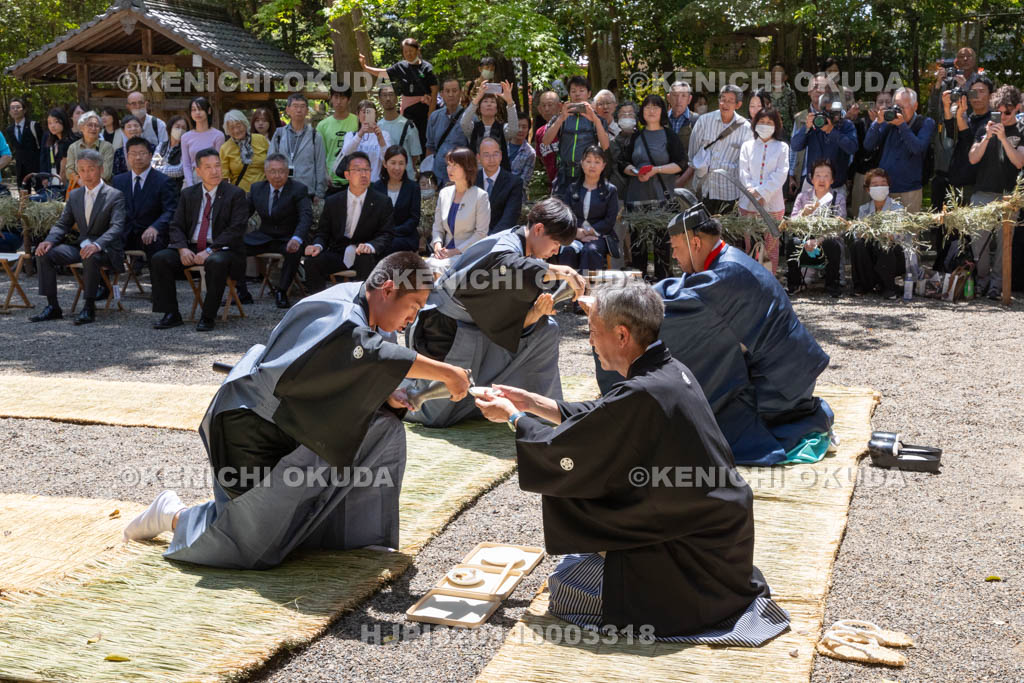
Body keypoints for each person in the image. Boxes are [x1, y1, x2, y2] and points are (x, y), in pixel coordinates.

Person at [475, 282, 789, 643]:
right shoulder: (669, 371)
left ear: (622, 335)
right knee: (581, 560)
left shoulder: (646, 389)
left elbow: (580, 441)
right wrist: (532, 402)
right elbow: (603, 417)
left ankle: (679, 608)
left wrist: (514, 417)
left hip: (690, 561)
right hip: (714, 537)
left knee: (565, 587)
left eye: (593, 333)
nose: (590, 343)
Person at [124, 253, 473, 568]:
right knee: (252, 551)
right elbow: (367, 353)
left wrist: (387, 394)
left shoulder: (366, 310)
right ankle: (173, 515)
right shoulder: (342, 314)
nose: (413, 319)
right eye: (413, 305)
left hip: (296, 424)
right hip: (251, 427)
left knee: (382, 427)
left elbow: (347, 372)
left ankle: (352, 537)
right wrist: (448, 373)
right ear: (387, 289)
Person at [627, 200, 834, 466]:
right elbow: (681, 286)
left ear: (696, 244)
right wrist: (637, 294)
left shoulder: (728, 272)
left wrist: (625, 306)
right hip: (790, 371)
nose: (675, 256)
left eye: (677, 249)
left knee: (700, 431)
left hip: (781, 384)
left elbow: (676, 305)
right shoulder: (726, 259)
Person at [405, 197, 583, 427]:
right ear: (539, 229)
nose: (555, 251)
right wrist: (563, 271)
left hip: (484, 332)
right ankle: (397, 393)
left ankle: (540, 408)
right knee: (436, 415)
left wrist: (537, 314)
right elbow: (507, 267)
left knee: (545, 330)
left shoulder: (527, 255)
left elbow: (514, 317)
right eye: (556, 244)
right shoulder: (505, 245)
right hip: (447, 329)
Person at [150, 148, 248, 332]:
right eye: (208, 167)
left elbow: (236, 229)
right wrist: (182, 249)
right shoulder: (189, 194)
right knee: (160, 258)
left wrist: (211, 250)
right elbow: (176, 225)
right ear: (198, 170)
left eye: (217, 166)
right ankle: (171, 313)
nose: (214, 171)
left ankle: (208, 316)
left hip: (223, 250)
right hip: (192, 247)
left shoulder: (235, 194)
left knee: (215, 262)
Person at [30, 149, 126, 326]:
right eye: (82, 170)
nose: (86, 174)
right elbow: (62, 224)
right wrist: (49, 241)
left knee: (90, 254)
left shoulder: (114, 195)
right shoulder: (75, 195)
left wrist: (97, 245)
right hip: (81, 245)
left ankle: (89, 306)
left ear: (101, 169)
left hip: (107, 249)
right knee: (44, 253)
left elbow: (117, 227)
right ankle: (53, 307)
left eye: (91, 169)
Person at [967, 84, 1024, 300]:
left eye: (1007, 112)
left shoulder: (1021, 130)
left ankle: (997, 284)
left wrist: (1002, 139)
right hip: (982, 193)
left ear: (1017, 108)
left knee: (1004, 245)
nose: (1002, 116)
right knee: (978, 241)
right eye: (998, 112)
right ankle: (982, 280)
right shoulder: (984, 129)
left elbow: (1019, 162)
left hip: (1008, 196)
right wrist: (988, 137)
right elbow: (973, 158)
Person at [622, 93, 688, 278]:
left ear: (662, 111)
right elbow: (623, 163)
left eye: (656, 107)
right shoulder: (636, 136)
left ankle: (663, 291)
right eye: (647, 107)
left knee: (662, 251)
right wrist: (636, 172)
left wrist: (657, 170)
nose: (651, 111)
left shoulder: (669, 135)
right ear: (642, 112)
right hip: (637, 201)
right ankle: (639, 296)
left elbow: (681, 164)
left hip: (662, 202)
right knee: (639, 251)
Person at [305, 151, 394, 287]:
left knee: (365, 258)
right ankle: (319, 302)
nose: (363, 174)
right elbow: (323, 232)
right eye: (358, 170)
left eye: (366, 170)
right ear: (347, 175)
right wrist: (317, 245)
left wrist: (371, 246)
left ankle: (362, 303)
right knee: (313, 259)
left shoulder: (382, 201)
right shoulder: (333, 201)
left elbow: (386, 234)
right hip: (338, 252)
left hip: (364, 254)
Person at [241, 153, 312, 309]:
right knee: (236, 246)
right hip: (264, 236)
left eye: (281, 171)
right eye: (273, 171)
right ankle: (242, 292)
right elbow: (243, 214)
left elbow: (306, 216)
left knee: (295, 250)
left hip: (288, 236)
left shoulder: (299, 189)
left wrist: (297, 238)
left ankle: (282, 291)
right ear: (266, 173)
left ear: (288, 173)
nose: (277, 175)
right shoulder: (257, 188)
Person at [862, 87, 936, 212]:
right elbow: (868, 145)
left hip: (909, 191)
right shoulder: (889, 122)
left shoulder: (926, 123)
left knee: (908, 230)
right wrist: (877, 123)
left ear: (915, 106)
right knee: (885, 230)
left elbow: (917, 148)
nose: (898, 110)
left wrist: (901, 125)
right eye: (896, 106)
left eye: (903, 106)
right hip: (885, 190)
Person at [359, 38, 438, 148]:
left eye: (411, 50)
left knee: (425, 138)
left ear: (418, 50)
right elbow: (384, 73)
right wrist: (365, 68)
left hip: (425, 109)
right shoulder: (400, 66)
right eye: (405, 51)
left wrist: (431, 112)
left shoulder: (427, 68)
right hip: (409, 111)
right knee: (409, 137)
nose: (408, 54)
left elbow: (434, 90)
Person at [111, 136, 178, 267]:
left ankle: (157, 286)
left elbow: (170, 210)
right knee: (103, 242)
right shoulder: (118, 181)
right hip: (125, 233)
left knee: (155, 244)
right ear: (127, 156)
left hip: (150, 232)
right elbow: (113, 209)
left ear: (150, 155)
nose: (138, 158)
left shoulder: (164, 181)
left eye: (142, 153)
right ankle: (105, 285)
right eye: (133, 154)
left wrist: (155, 227)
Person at [789, 84, 857, 209]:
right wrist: (807, 127)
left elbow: (852, 148)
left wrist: (832, 131)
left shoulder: (846, 125)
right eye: (828, 112)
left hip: (836, 186)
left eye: (835, 113)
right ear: (820, 110)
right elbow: (795, 146)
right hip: (811, 186)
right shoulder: (816, 123)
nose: (832, 117)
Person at [738, 109, 788, 273]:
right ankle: (752, 284)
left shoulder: (782, 147)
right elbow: (743, 172)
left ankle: (769, 284)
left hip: (773, 205)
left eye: (769, 123)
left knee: (770, 248)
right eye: (762, 122)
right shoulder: (747, 145)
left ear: (776, 125)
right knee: (750, 246)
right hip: (748, 203)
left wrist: (762, 193)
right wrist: (752, 192)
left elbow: (780, 174)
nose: (765, 126)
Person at [555, 145, 619, 273]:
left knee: (590, 250)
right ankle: (566, 289)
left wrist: (589, 231)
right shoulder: (572, 188)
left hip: (599, 236)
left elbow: (610, 219)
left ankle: (590, 288)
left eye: (597, 162)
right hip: (573, 234)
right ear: (582, 163)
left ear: (603, 165)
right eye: (588, 161)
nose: (592, 165)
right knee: (568, 250)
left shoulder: (610, 190)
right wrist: (576, 232)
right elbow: (566, 216)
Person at [686, 85, 748, 215]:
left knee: (727, 232)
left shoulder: (746, 128)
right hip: (704, 188)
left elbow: (746, 162)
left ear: (738, 104)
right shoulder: (704, 121)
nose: (725, 104)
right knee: (702, 231)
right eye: (722, 99)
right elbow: (692, 153)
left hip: (729, 191)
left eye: (730, 101)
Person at [787, 159, 846, 296]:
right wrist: (803, 213)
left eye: (826, 176)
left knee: (832, 244)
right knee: (792, 243)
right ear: (811, 179)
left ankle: (832, 285)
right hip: (805, 238)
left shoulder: (838, 198)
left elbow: (840, 227)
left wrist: (819, 240)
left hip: (826, 239)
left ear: (832, 180)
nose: (822, 179)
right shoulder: (803, 197)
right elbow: (792, 222)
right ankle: (794, 284)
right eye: (818, 175)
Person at [542, 76, 610, 192]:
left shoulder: (597, 119)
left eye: (581, 91)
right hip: (564, 174)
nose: (577, 94)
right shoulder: (561, 117)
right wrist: (561, 118)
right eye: (573, 91)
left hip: (587, 175)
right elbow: (546, 141)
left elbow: (605, 146)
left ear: (589, 94)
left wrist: (595, 120)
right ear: (569, 94)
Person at [850, 168, 906, 299]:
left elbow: (900, 234)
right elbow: (857, 232)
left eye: (883, 184)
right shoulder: (864, 210)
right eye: (875, 185)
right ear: (868, 189)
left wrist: (888, 234)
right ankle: (861, 286)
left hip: (891, 252)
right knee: (857, 245)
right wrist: (863, 233)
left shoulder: (897, 208)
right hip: (870, 249)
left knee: (884, 244)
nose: (879, 187)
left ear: (888, 187)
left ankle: (888, 287)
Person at [431, 147, 489, 257]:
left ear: (468, 168)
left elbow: (481, 234)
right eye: (449, 165)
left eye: (455, 166)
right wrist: (437, 245)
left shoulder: (481, 196)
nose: (450, 169)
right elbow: (437, 227)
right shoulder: (444, 193)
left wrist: (455, 251)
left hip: (468, 254)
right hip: (444, 251)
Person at [269, 93, 328, 201]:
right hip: (282, 189)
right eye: (295, 106)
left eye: (302, 106)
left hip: (307, 191)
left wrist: (319, 193)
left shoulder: (315, 136)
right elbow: (270, 162)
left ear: (307, 111)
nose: (299, 110)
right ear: (288, 110)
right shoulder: (279, 134)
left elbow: (320, 166)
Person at [850, 90, 892, 217]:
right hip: (863, 174)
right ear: (874, 105)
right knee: (860, 215)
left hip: (884, 177)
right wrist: (875, 124)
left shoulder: (895, 124)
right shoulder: (862, 123)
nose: (884, 105)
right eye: (880, 102)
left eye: (888, 102)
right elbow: (863, 148)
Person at [372, 145, 421, 254]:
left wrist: (393, 232)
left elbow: (414, 219)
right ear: (385, 164)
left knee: (389, 245)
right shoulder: (376, 187)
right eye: (393, 163)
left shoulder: (413, 187)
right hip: (381, 236)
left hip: (405, 236)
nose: (397, 168)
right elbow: (373, 217)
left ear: (406, 165)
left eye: (401, 163)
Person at [462, 80, 518, 170]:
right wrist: (478, 98)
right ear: (479, 108)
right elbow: (464, 122)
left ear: (497, 109)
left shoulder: (503, 129)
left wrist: (510, 101)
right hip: (476, 174)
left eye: (492, 102)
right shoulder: (473, 128)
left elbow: (514, 130)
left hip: (499, 175)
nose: (489, 104)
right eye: (485, 101)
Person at [424, 77, 469, 186]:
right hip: (438, 174)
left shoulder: (470, 118)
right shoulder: (435, 117)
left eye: (454, 91)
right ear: (442, 94)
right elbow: (430, 147)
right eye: (447, 91)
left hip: (461, 176)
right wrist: (427, 174)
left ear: (460, 92)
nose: (451, 94)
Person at [317, 85, 360, 194]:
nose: (339, 101)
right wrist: (325, 174)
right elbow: (319, 155)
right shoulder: (322, 125)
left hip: (355, 179)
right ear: (331, 98)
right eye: (336, 97)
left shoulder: (358, 122)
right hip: (331, 181)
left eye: (343, 98)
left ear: (349, 100)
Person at [475, 137, 523, 234]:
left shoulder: (514, 183)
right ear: (478, 158)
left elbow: (509, 217)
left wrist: (490, 239)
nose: (491, 159)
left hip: (499, 237)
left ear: (501, 156)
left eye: (495, 154)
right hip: (472, 237)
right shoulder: (471, 180)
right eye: (486, 155)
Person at [338, 100, 392, 182]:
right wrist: (360, 134)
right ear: (357, 114)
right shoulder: (351, 135)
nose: (366, 115)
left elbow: (388, 159)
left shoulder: (384, 135)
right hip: (356, 182)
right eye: (364, 112)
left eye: (370, 112)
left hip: (377, 183)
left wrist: (380, 138)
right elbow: (346, 152)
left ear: (375, 115)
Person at [378, 84, 422, 180]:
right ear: (380, 100)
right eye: (384, 95)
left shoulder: (408, 125)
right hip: (385, 179)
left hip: (406, 177)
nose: (388, 98)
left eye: (391, 94)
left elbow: (415, 155)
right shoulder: (377, 127)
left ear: (397, 99)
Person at [181, 97, 225, 189]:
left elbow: (219, 162)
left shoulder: (218, 135)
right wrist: (190, 184)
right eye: (193, 110)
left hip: (212, 176)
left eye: (200, 109)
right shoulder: (185, 137)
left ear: (208, 110)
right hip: (193, 177)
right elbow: (186, 164)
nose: (197, 113)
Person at [220, 109, 268, 192]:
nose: (236, 130)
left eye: (239, 126)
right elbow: (224, 178)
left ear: (245, 124)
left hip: (263, 192)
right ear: (227, 130)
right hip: (240, 194)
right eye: (232, 128)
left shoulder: (261, 139)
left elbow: (272, 163)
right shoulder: (225, 148)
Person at [66, 111, 114, 186]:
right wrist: (80, 181)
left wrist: (88, 182)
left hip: (101, 189)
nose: (93, 128)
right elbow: (69, 171)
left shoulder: (107, 147)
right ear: (81, 128)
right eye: (90, 125)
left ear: (100, 129)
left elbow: (106, 174)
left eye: (97, 126)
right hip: (79, 188)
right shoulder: (73, 147)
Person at [36, 108, 74, 198]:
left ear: (64, 121)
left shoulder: (70, 141)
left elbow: (64, 170)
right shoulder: (50, 139)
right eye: (49, 123)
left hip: (67, 183)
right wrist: (44, 177)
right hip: (52, 179)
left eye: (56, 122)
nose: (52, 126)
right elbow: (43, 158)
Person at [6, 98, 42, 186]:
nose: (15, 110)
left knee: (41, 193)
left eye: (18, 107)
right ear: (10, 112)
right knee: (23, 195)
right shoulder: (9, 130)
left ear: (24, 110)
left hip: (36, 167)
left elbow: (42, 146)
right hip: (20, 169)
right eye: (12, 108)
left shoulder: (34, 126)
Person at [533, 89, 562, 188]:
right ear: (539, 109)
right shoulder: (539, 133)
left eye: (550, 105)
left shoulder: (568, 127)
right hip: (552, 185)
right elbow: (540, 157)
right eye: (543, 106)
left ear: (559, 106)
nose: (546, 109)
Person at [152, 115, 187, 196]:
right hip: (158, 188)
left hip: (175, 190)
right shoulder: (161, 146)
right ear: (170, 128)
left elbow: (180, 171)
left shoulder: (185, 148)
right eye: (177, 127)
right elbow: (153, 165)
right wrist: (167, 167)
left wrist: (162, 166)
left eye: (184, 128)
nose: (180, 130)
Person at [506, 116, 536, 202]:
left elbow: (524, 181)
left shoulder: (530, 153)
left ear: (528, 129)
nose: (520, 130)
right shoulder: (501, 145)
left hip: (516, 195)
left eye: (524, 127)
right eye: (517, 126)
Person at [667, 81, 697, 154]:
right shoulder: (661, 120)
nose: (678, 100)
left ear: (689, 99)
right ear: (668, 98)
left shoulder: (697, 120)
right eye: (675, 95)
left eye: (683, 96)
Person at [769, 62, 797, 141]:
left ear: (785, 77)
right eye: (773, 73)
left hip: (786, 133)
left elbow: (793, 114)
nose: (776, 76)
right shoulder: (765, 92)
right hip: (769, 131)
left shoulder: (790, 93)